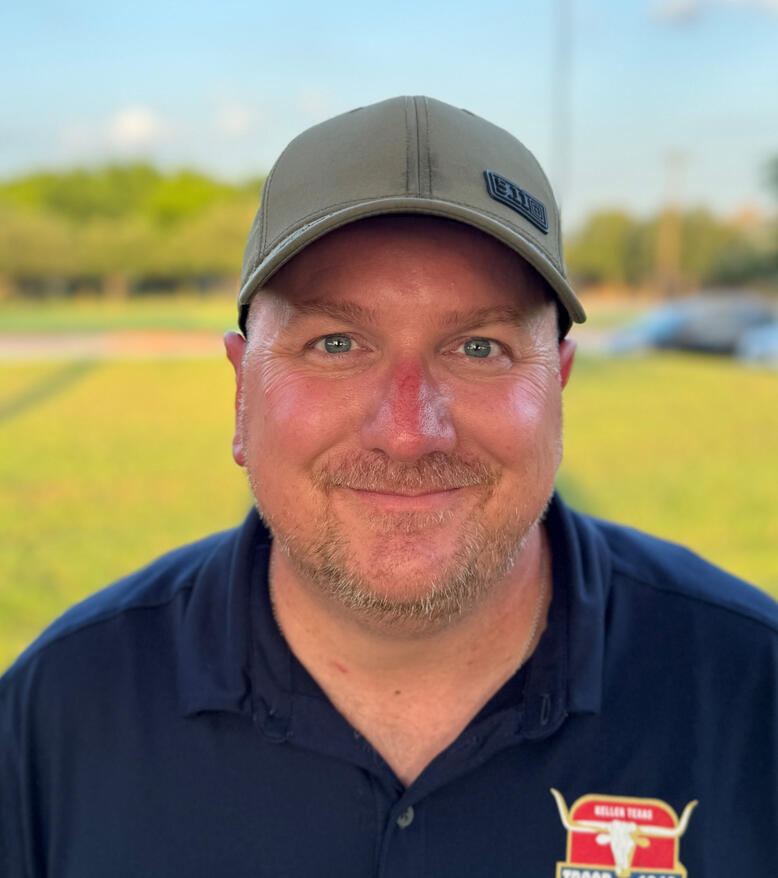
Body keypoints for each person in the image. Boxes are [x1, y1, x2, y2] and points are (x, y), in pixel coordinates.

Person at [1, 96, 776, 877]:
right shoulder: (57, 713)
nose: (408, 432)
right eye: (337, 343)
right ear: (241, 394)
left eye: (480, 347)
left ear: (559, 389)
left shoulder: (752, 693)